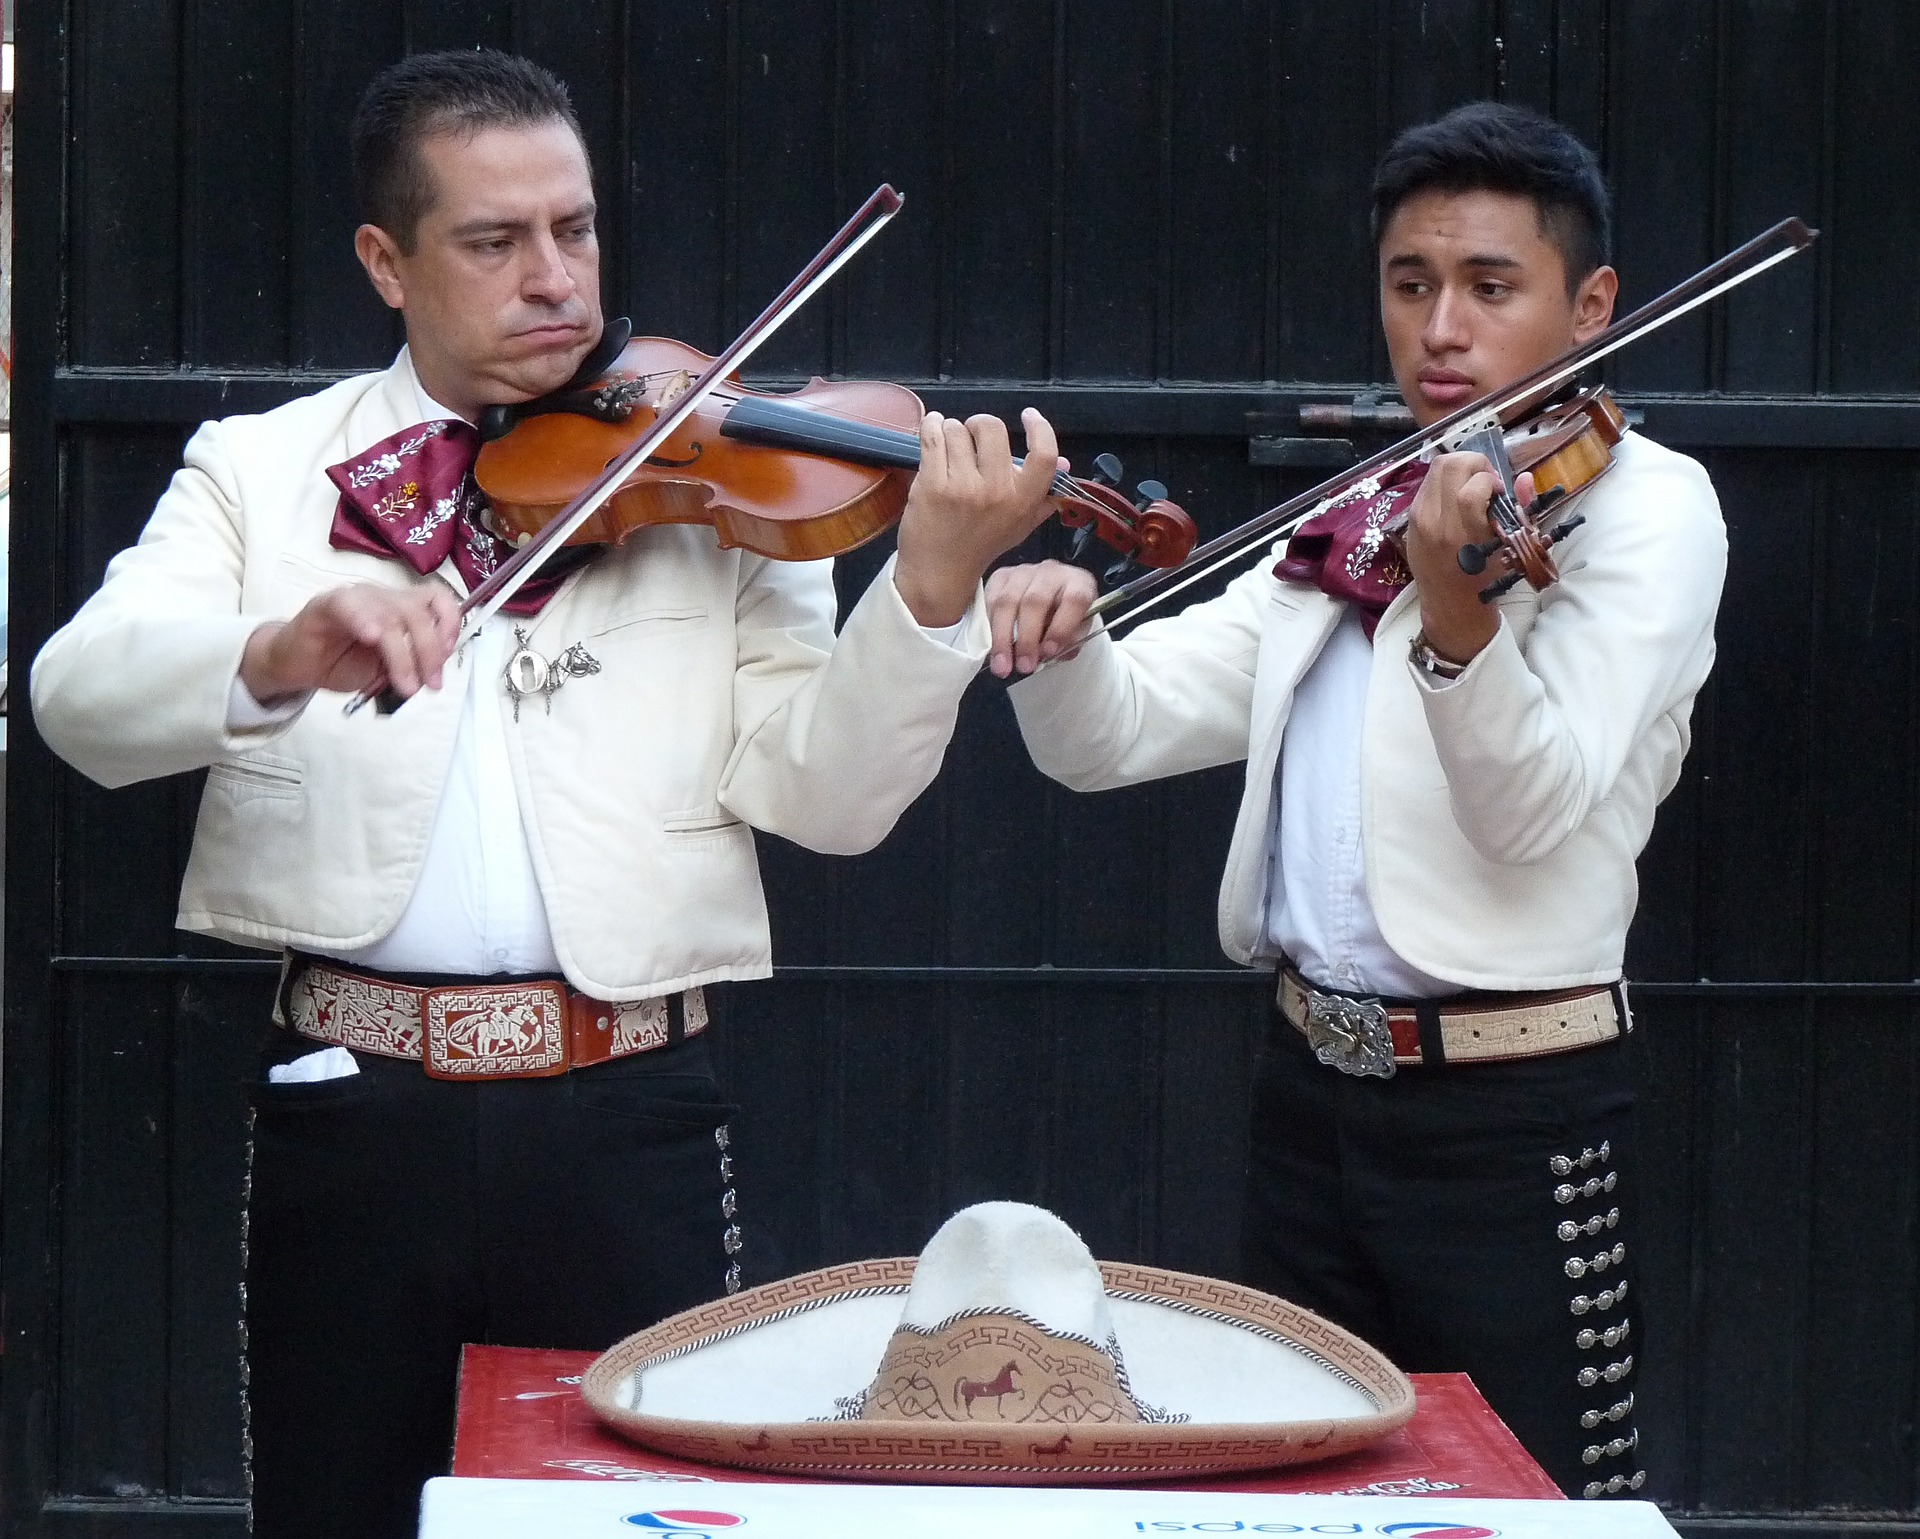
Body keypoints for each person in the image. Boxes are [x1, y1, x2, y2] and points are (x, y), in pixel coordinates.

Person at [31, 49, 1064, 1539]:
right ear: (388, 262)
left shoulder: (726, 483)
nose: (555, 282)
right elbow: (80, 699)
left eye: (574, 232)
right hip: (354, 1107)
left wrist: (932, 591)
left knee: (640, 1515)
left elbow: (832, 804)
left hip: (630, 1106)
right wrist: (275, 648)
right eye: (495, 243)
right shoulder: (262, 471)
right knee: (339, 1508)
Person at [987, 101, 1726, 1497]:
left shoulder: (1649, 509)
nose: (1441, 329)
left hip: (1512, 1118)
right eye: (1410, 285)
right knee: (1294, 1495)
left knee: (1530, 1508)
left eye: (1490, 288)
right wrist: (1052, 636)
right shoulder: (1363, 514)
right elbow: (1113, 737)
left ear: (1593, 306)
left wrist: (1458, 615)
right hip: (1306, 1099)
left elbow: (1531, 808)